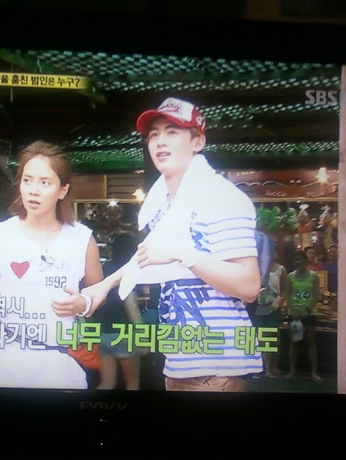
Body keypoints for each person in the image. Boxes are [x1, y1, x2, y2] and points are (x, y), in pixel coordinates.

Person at [59, 97, 262, 392]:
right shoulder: (165, 205)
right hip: (181, 362)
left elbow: (249, 285)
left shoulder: (221, 197)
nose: (160, 141)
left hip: (217, 368)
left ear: (198, 141)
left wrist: (182, 253)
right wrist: (103, 286)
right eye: (154, 134)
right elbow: (150, 256)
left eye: (172, 132)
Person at [0, 141, 103, 389]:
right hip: (7, 364)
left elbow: (98, 296)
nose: (34, 190)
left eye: (45, 183)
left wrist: (83, 303)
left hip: (63, 364)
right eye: (27, 180)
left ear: (62, 190)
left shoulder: (82, 238)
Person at [92, 233, 144, 390]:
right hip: (123, 334)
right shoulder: (129, 272)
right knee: (132, 383)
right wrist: (143, 338)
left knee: (107, 383)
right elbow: (131, 306)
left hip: (102, 333)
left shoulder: (102, 269)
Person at [282, 250, 322, 381]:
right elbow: (288, 294)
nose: (299, 262)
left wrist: (307, 310)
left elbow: (316, 295)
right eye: (296, 260)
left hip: (309, 313)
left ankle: (314, 373)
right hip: (294, 314)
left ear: (305, 261)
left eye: (301, 259)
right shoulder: (290, 276)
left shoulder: (314, 276)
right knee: (294, 342)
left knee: (311, 343)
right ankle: (292, 371)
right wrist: (292, 310)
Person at [254, 247, 287, 378]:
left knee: (274, 338)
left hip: (273, 308)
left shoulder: (280, 269)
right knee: (260, 338)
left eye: (274, 251)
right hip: (257, 308)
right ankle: (262, 368)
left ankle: (273, 366)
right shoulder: (257, 268)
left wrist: (280, 301)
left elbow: (285, 289)